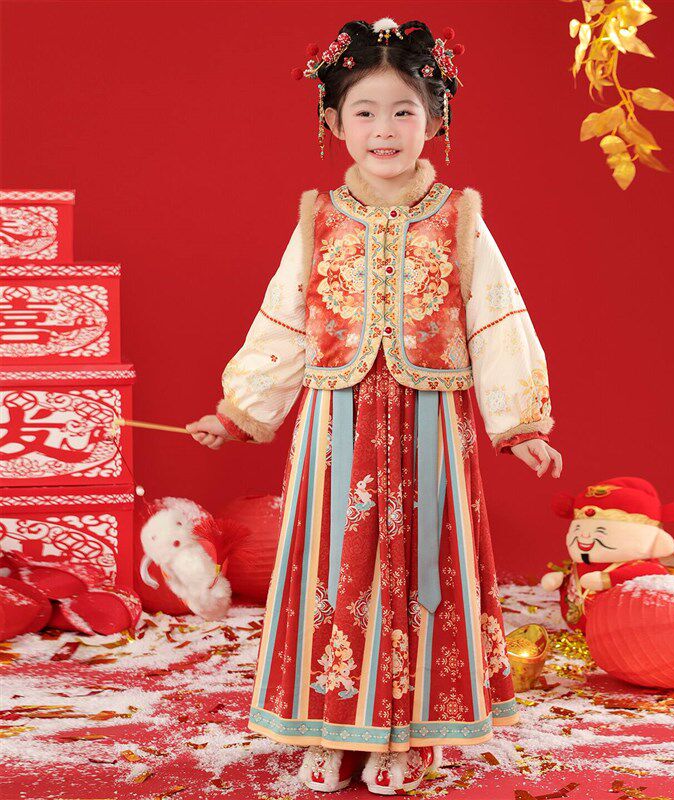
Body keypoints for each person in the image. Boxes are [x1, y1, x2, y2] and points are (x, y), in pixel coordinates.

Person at [185, 17, 563, 796]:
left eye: (403, 111)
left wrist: (519, 423)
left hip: (432, 426)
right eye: (364, 111)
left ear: (436, 121)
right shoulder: (317, 218)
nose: (383, 129)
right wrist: (239, 410)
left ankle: (410, 734)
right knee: (335, 570)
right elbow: (284, 320)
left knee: (423, 571)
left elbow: (497, 318)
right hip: (337, 427)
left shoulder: (459, 217)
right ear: (333, 122)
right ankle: (328, 725)